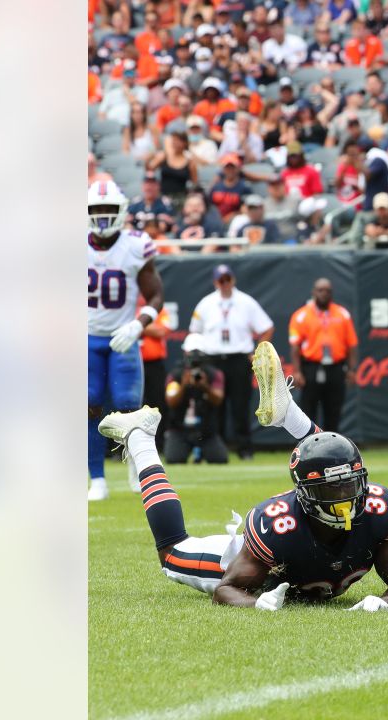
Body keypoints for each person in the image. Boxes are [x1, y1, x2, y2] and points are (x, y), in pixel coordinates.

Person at [95, 342, 388, 610]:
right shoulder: (278, 525)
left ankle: (288, 412)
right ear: (307, 496)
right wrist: (256, 605)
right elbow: (227, 589)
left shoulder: (378, 509)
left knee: (331, 457)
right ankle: (140, 437)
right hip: (243, 561)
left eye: (351, 484)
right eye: (333, 490)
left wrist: (386, 602)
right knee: (172, 552)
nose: (346, 496)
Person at [88, 181, 165, 501]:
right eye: (97, 210)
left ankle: (137, 466)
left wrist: (138, 325)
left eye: (109, 210)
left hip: (123, 337)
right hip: (87, 337)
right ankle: (97, 479)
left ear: (121, 212)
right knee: (88, 407)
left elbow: (156, 295)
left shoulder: (136, 245)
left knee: (129, 408)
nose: (103, 217)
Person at [188, 265, 274, 460]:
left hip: (238, 358)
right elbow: (195, 331)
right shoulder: (206, 303)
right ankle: (215, 448)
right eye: (221, 280)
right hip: (213, 359)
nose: (225, 284)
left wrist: (257, 352)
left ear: (233, 280)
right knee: (213, 405)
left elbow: (267, 327)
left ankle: (244, 449)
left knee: (240, 405)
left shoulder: (245, 302)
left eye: (228, 279)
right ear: (215, 282)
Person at [289, 278, 359, 433]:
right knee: (307, 411)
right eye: (320, 290)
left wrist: (352, 369)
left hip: (336, 367)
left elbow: (352, 345)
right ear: (313, 292)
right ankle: (307, 449)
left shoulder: (342, 314)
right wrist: (297, 371)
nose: (324, 294)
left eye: (327, 290)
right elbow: (295, 346)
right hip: (311, 367)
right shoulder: (301, 315)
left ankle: (333, 449)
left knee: (334, 411)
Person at [163, 333, 228, 464]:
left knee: (220, 458)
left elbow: (218, 399)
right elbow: (171, 402)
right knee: (173, 459)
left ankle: (202, 453)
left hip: (206, 430)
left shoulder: (213, 374)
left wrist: (205, 387)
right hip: (180, 429)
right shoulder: (176, 375)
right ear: (185, 353)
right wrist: (183, 386)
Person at [139, 304, 174, 450]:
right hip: (131, 362)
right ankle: (125, 446)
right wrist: (148, 327)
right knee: (130, 404)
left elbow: (162, 331)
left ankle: (157, 444)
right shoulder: (129, 307)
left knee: (157, 404)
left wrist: (136, 325)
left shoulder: (159, 310)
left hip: (154, 364)